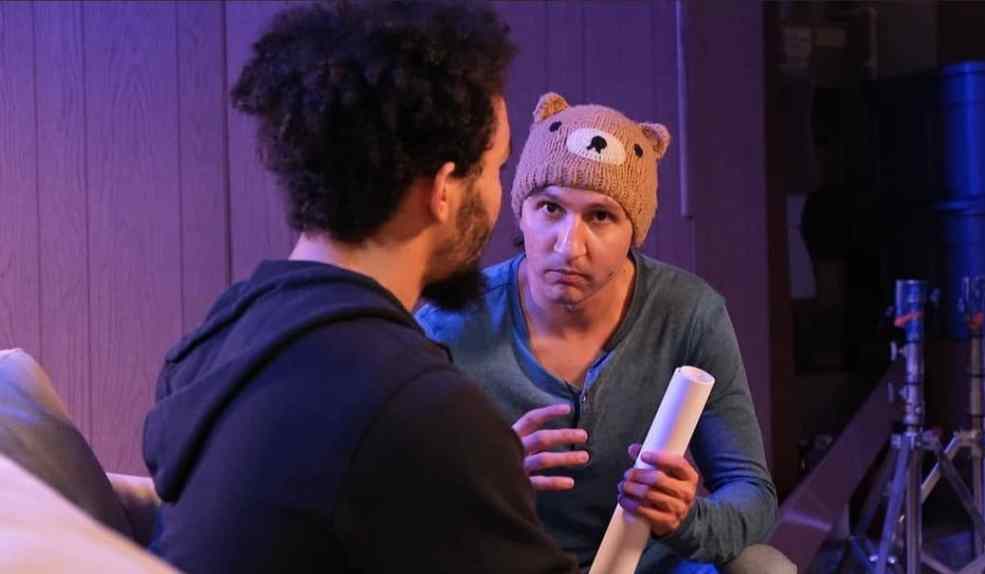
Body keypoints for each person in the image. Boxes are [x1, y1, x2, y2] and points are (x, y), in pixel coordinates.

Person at [142, 3, 576, 573]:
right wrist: (472, 464)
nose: (498, 197)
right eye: (496, 167)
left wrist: (480, 486)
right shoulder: (422, 412)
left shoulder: (221, 337)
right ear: (444, 188)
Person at [417, 93, 782, 573]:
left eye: (600, 216)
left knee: (763, 567)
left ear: (634, 231)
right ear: (521, 212)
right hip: (508, 561)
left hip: (648, 564)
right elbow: (396, 502)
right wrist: (489, 485)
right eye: (550, 208)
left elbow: (752, 494)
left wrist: (685, 519)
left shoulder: (689, 313)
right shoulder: (450, 322)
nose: (569, 246)